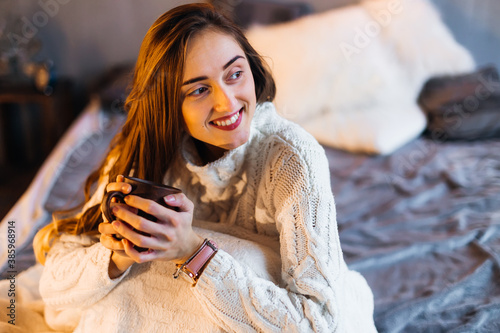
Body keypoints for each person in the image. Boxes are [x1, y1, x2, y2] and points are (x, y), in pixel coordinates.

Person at [34, 3, 376, 332]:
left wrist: (193, 252)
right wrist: (119, 255)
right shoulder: (146, 154)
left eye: (235, 74)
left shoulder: (293, 160)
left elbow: (320, 324)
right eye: (199, 89)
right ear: (169, 104)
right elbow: (55, 286)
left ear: (253, 72)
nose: (226, 102)